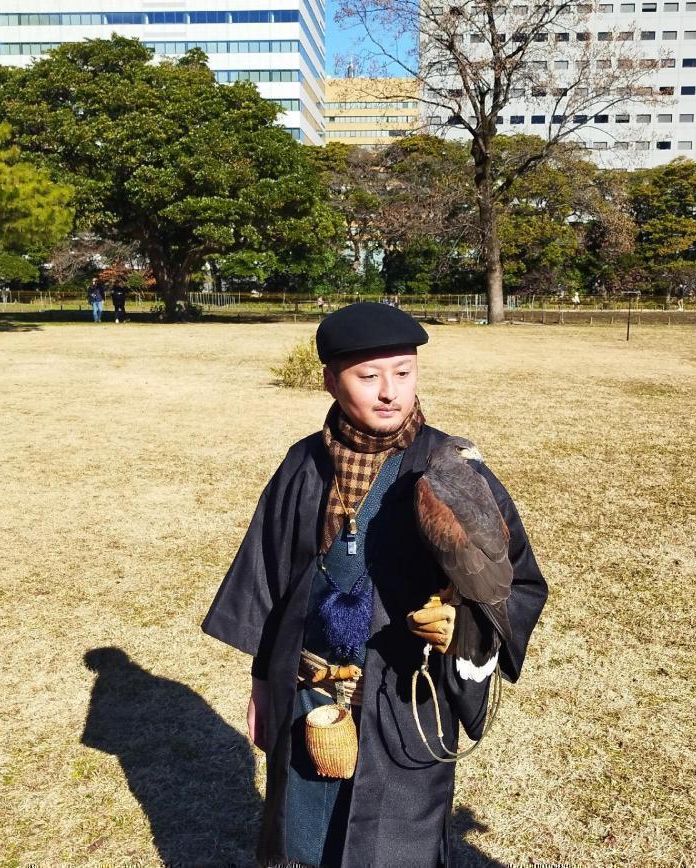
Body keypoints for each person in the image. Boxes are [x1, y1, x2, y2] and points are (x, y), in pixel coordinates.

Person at [201, 302, 548, 867]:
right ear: (330, 381)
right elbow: (265, 583)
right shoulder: (302, 464)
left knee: (396, 845)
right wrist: (266, 683)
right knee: (304, 836)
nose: (390, 391)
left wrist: (466, 631)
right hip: (310, 697)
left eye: (403, 373)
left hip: (406, 701)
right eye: (368, 376)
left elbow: (522, 583)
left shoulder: (453, 470)